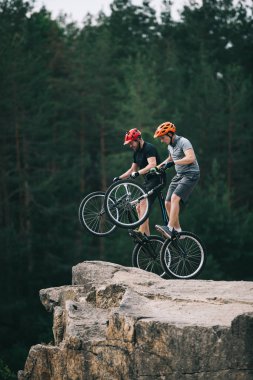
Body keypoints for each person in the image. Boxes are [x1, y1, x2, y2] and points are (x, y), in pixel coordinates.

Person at [153, 121, 200, 238]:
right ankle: (178, 230)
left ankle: (169, 228)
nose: (161, 140)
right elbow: (170, 159)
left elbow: (191, 158)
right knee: (167, 202)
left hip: (191, 174)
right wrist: (157, 167)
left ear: (170, 134)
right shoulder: (170, 146)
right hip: (179, 175)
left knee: (175, 198)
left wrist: (174, 162)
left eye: (163, 137)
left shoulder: (184, 142)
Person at [113, 128, 162, 236]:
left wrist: (138, 173)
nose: (130, 146)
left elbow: (152, 164)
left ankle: (141, 230)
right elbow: (132, 170)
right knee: (138, 206)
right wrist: (119, 178)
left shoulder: (149, 148)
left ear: (139, 139)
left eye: (131, 143)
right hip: (148, 181)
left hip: (158, 180)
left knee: (143, 201)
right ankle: (147, 236)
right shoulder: (136, 153)